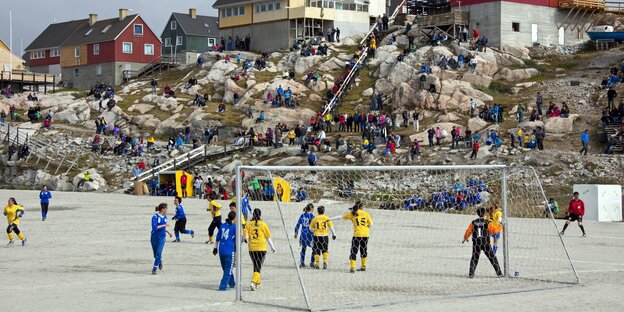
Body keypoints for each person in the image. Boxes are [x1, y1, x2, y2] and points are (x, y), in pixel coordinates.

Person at [462, 208, 503, 278]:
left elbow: (468, 231)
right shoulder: (487, 222)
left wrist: (465, 238)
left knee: (474, 258)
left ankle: (471, 273)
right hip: (485, 243)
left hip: (476, 243)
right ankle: (499, 273)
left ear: (477, 214)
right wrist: (501, 226)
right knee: (492, 258)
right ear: (484, 214)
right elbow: (494, 231)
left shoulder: (473, 222)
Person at [245, 208, 276, 291]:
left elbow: (246, 236)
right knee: (258, 265)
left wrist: (248, 243)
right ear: (260, 215)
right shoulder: (263, 224)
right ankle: (253, 282)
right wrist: (272, 247)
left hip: (252, 248)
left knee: (255, 265)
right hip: (261, 247)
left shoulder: (248, 224)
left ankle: (258, 283)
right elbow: (268, 237)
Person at [342, 201, 373, 273]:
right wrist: (366, 226)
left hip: (357, 235)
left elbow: (343, 217)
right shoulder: (366, 214)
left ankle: (352, 267)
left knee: (354, 251)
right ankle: (363, 266)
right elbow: (371, 224)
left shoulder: (352, 213)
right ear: (361, 207)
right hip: (365, 235)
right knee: (363, 250)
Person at [213, 211, 237, 291]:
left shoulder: (222, 225)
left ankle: (232, 283)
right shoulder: (234, 226)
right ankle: (222, 286)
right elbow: (238, 238)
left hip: (221, 249)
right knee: (228, 269)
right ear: (234, 218)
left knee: (226, 268)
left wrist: (215, 248)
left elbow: (217, 238)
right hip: (229, 250)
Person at [151, 203, 173, 274]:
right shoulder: (155, 217)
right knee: (155, 254)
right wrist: (164, 225)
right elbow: (154, 228)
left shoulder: (165, 217)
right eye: (166, 208)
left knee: (158, 252)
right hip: (154, 237)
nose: (167, 210)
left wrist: (168, 232)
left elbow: (163, 228)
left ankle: (154, 268)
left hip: (162, 237)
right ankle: (159, 261)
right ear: (163, 209)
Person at [294, 203, 315, 268]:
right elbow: (314, 226)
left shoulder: (302, 215)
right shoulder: (312, 216)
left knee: (303, 248)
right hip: (310, 234)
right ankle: (312, 263)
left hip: (303, 234)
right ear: (311, 209)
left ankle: (302, 263)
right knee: (314, 249)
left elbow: (298, 224)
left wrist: (296, 233)